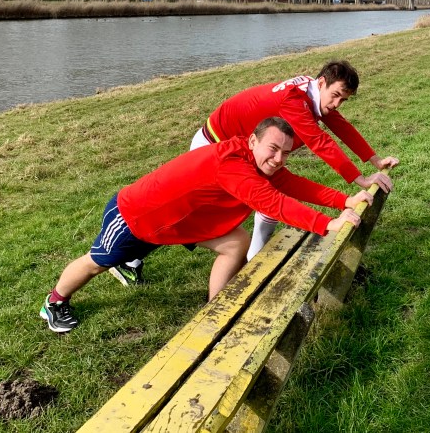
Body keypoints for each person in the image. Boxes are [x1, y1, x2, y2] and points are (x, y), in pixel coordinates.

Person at [40, 116, 370, 333]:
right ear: (253, 141)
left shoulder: (257, 160)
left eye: (286, 152)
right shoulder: (233, 164)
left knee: (236, 242)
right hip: (138, 216)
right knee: (96, 263)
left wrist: (345, 201)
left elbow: (293, 184)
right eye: (273, 149)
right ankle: (54, 303)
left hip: (184, 221)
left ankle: (217, 311)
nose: (279, 159)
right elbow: (274, 203)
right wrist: (327, 224)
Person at [110, 60, 399, 286]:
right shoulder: (294, 101)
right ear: (321, 83)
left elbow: (340, 125)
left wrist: (373, 160)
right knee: (188, 215)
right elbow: (319, 142)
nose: (336, 104)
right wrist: (360, 180)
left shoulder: (314, 94)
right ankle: (129, 258)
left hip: (250, 151)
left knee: (266, 205)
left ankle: (255, 262)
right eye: (335, 96)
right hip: (214, 146)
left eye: (343, 100)